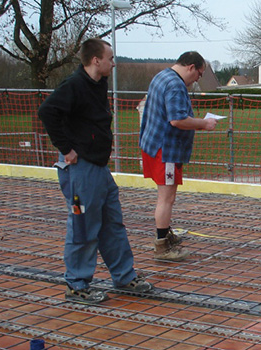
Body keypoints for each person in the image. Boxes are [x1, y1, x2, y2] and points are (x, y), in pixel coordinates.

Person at [38, 38, 153, 304]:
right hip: (80, 169)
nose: (114, 63)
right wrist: (66, 149)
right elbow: (47, 111)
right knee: (83, 226)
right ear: (95, 60)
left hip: (99, 168)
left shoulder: (97, 84)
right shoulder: (74, 85)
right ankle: (77, 285)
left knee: (112, 223)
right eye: (110, 58)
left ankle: (124, 276)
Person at [139, 51, 217, 261]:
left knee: (165, 197)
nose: (197, 80)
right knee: (167, 198)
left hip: (154, 145)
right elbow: (177, 120)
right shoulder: (175, 85)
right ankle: (162, 246)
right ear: (191, 67)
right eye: (199, 74)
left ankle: (164, 234)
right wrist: (204, 123)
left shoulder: (162, 76)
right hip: (167, 150)